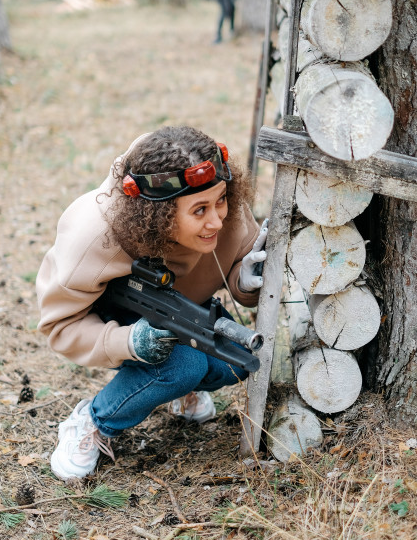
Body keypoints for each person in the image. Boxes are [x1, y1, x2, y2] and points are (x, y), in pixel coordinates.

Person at [36, 126, 268, 481]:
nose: (218, 219)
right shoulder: (91, 237)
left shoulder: (220, 201)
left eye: (221, 200)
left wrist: (245, 280)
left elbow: (237, 258)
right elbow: (60, 326)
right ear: (156, 215)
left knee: (235, 362)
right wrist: (128, 341)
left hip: (184, 306)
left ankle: (177, 391)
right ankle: (92, 420)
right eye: (200, 210)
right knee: (182, 367)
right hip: (115, 315)